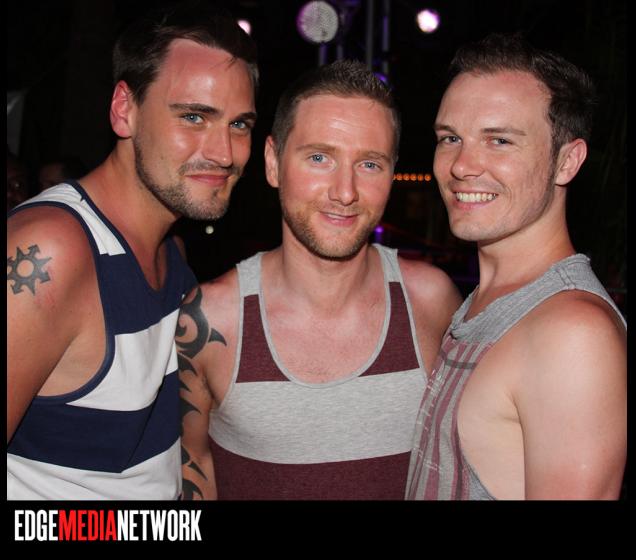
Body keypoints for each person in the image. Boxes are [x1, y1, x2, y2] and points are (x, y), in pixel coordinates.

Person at [178, 59, 462, 500]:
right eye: (319, 158)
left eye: (370, 164)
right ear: (273, 162)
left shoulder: (431, 301)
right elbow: (193, 467)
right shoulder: (210, 318)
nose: (345, 192)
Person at [7, 4, 258, 500]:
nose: (224, 153)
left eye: (240, 125)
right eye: (193, 116)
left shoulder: (172, 254)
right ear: (125, 109)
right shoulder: (51, 254)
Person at [406, 33, 627, 500]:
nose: (462, 165)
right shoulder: (489, 303)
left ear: (567, 162)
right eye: (450, 138)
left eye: (499, 140)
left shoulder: (571, 334)